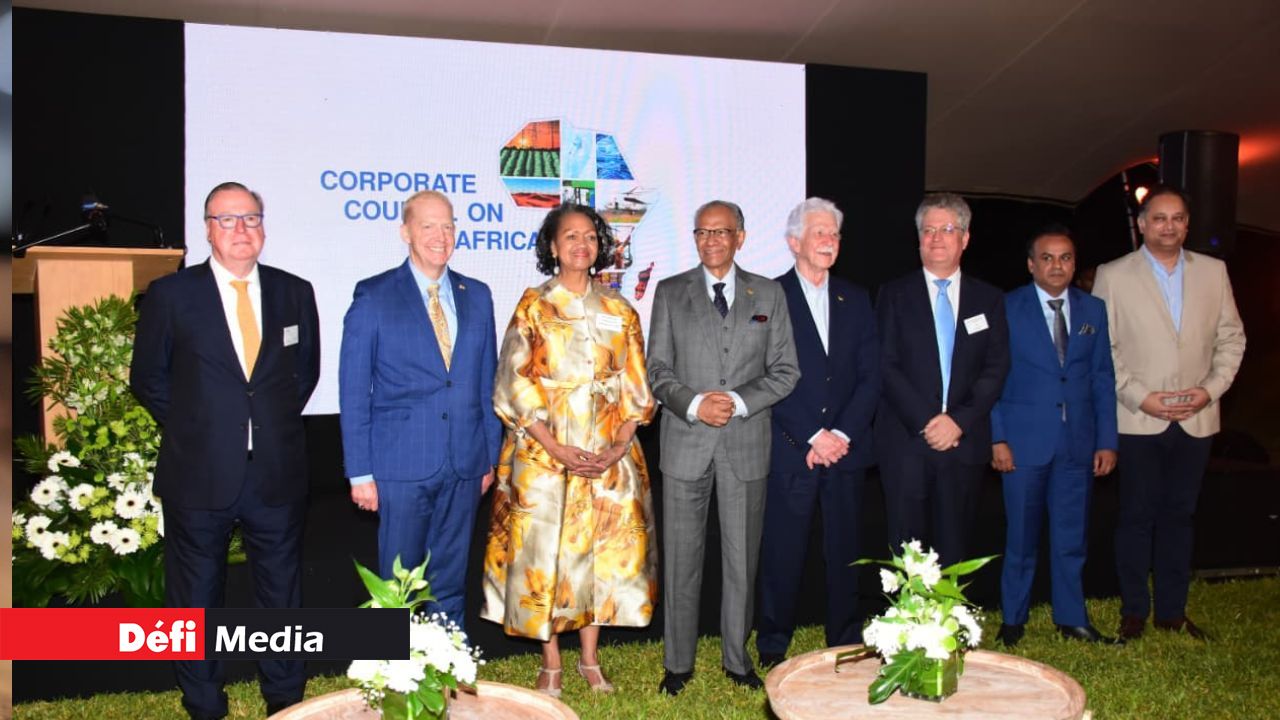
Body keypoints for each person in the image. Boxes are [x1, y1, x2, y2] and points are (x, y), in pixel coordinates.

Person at [131, 182, 320, 719]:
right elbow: (147, 378)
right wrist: (201, 428)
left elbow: (303, 374)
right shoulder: (172, 295)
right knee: (194, 597)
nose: (241, 229)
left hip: (276, 472)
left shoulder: (294, 292)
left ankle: (285, 700)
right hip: (198, 472)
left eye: (251, 218)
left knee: (280, 593)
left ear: (263, 227)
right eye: (228, 219)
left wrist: (262, 426)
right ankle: (203, 702)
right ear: (208, 229)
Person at [480, 202, 657, 697]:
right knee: (545, 557)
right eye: (571, 237)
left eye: (591, 237)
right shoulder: (534, 306)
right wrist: (554, 446)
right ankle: (551, 660)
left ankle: (590, 658)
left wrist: (618, 445)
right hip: (543, 455)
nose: (582, 245)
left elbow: (637, 387)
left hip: (609, 456)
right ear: (553, 247)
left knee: (599, 554)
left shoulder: (620, 310)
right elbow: (514, 381)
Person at [647, 200, 800, 694]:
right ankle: (678, 663)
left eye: (721, 231)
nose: (710, 240)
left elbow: (786, 371)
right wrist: (694, 404)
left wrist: (736, 402)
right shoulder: (670, 292)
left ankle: (737, 660)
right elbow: (657, 371)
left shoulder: (769, 293)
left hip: (745, 444)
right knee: (681, 559)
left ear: (740, 237)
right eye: (702, 232)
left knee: (742, 559)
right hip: (685, 443)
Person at [338, 190, 501, 629]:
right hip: (399, 467)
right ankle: (392, 669)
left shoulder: (477, 295)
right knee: (397, 587)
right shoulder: (373, 296)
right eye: (428, 226)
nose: (440, 236)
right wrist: (360, 472)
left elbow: (487, 381)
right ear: (405, 232)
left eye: (448, 226)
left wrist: (490, 456)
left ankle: (448, 665)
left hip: (465, 463)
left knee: (450, 581)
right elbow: (353, 391)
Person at [1092, 185, 1245, 641]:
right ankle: (1134, 611)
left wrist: (1208, 391)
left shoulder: (1214, 272)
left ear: (1187, 224)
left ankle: (1173, 613)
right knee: (1136, 517)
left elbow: (1232, 339)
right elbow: (1103, 348)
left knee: (1180, 517)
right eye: (1159, 218)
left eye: (1177, 218)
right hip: (1138, 418)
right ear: (1142, 224)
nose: (1169, 226)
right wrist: (1141, 397)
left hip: (1198, 418)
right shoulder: (1113, 275)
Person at [756, 198, 879, 668]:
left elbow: (870, 376)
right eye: (820, 233)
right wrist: (813, 435)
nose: (830, 241)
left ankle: (845, 639)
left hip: (845, 451)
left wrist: (841, 434)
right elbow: (764, 374)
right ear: (794, 242)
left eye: (835, 234)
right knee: (782, 552)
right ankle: (773, 644)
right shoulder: (769, 296)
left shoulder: (856, 297)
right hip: (792, 450)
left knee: (845, 552)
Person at [991, 225, 1119, 647]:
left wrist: (1107, 440)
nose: (1057, 266)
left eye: (1065, 258)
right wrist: (997, 437)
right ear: (1031, 265)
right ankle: (1013, 620)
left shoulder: (1092, 309)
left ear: (1074, 263)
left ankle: (1071, 618)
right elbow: (990, 377)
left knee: (1071, 538)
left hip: (1077, 443)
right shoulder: (1007, 307)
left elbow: (1102, 377)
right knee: (1020, 539)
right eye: (1047, 258)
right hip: (1023, 443)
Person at [875, 192, 1009, 567]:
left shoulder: (989, 299)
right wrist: (927, 422)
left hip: (963, 443)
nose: (936, 238)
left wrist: (957, 421)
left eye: (947, 229)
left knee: (955, 548)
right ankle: (911, 608)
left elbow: (996, 368)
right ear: (919, 238)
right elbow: (885, 365)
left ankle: (949, 608)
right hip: (906, 443)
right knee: (907, 551)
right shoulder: (893, 295)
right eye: (928, 230)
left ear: (965, 238)